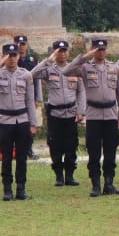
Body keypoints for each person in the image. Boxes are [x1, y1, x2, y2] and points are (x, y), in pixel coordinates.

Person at [63, 38, 119, 197]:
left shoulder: (113, 68)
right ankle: (95, 185)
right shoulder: (85, 67)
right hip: (93, 115)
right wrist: (85, 56)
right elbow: (66, 71)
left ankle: (109, 183)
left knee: (110, 151)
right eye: (97, 49)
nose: (100, 52)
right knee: (94, 152)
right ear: (92, 50)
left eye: (102, 49)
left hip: (111, 114)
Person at [0, 42, 39, 200]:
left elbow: (30, 101)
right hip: (5, 120)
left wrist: (33, 123)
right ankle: (7, 189)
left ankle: (21, 188)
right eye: (8, 56)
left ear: (19, 56)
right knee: (6, 157)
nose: (12, 59)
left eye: (14, 55)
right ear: (3, 57)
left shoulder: (25, 75)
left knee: (22, 157)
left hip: (22, 120)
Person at [31, 40, 85, 187]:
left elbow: (81, 91)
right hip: (55, 113)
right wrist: (48, 60)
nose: (62, 54)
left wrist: (81, 111)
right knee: (55, 145)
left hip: (71, 113)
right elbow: (33, 74)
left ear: (68, 52)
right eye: (58, 51)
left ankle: (69, 175)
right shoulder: (49, 70)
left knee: (71, 145)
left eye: (64, 50)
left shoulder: (75, 69)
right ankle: (59, 176)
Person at [14, 34, 42, 160]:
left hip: (31, 97)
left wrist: (38, 98)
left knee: (31, 124)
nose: (21, 47)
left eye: (23, 44)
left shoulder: (32, 60)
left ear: (27, 45)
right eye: (18, 44)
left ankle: (29, 149)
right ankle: (18, 150)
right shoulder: (12, 58)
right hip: (16, 97)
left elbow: (37, 80)